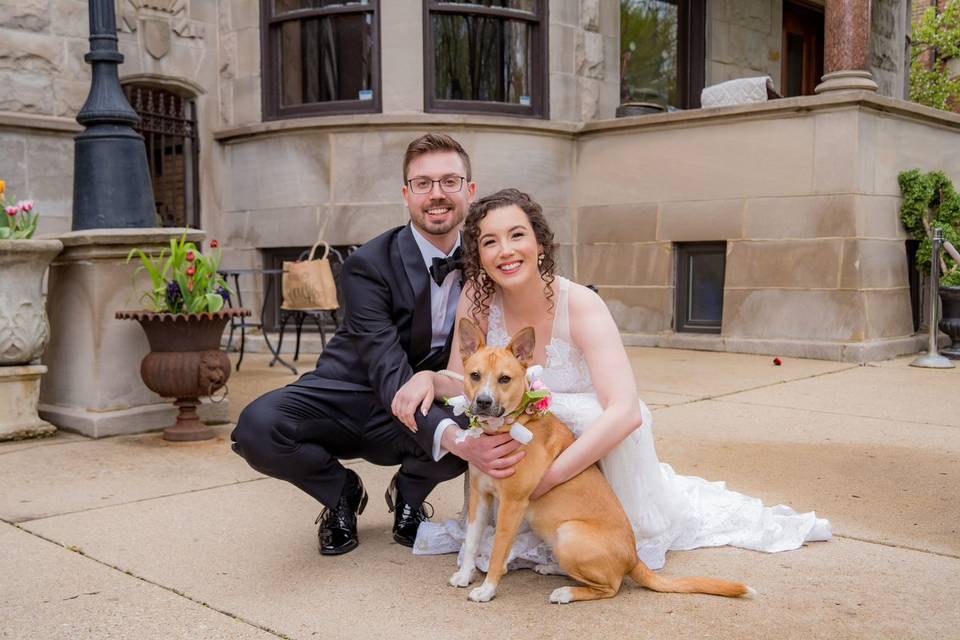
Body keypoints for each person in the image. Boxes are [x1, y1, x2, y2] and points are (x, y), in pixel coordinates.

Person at [393, 188, 832, 572]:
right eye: (490, 242)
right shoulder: (477, 295)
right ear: (479, 256)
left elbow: (625, 411)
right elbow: (461, 378)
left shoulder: (580, 305)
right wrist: (429, 379)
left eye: (517, 235)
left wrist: (545, 481)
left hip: (589, 449)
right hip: (523, 447)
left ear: (540, 244)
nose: (505, 250)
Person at [230, 134, 524, 556]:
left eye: (449, 181)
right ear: (406, 194)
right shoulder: (367, 263)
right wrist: (449, 435)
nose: (436, 195)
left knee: (476, 435)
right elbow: (385, 366)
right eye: (422, 184)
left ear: (469, 191)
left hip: (427, 396)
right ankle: (341, 495)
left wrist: (459, 432)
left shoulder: (487, 259)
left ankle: (407, 494)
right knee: (258, 429)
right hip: (349, 394)